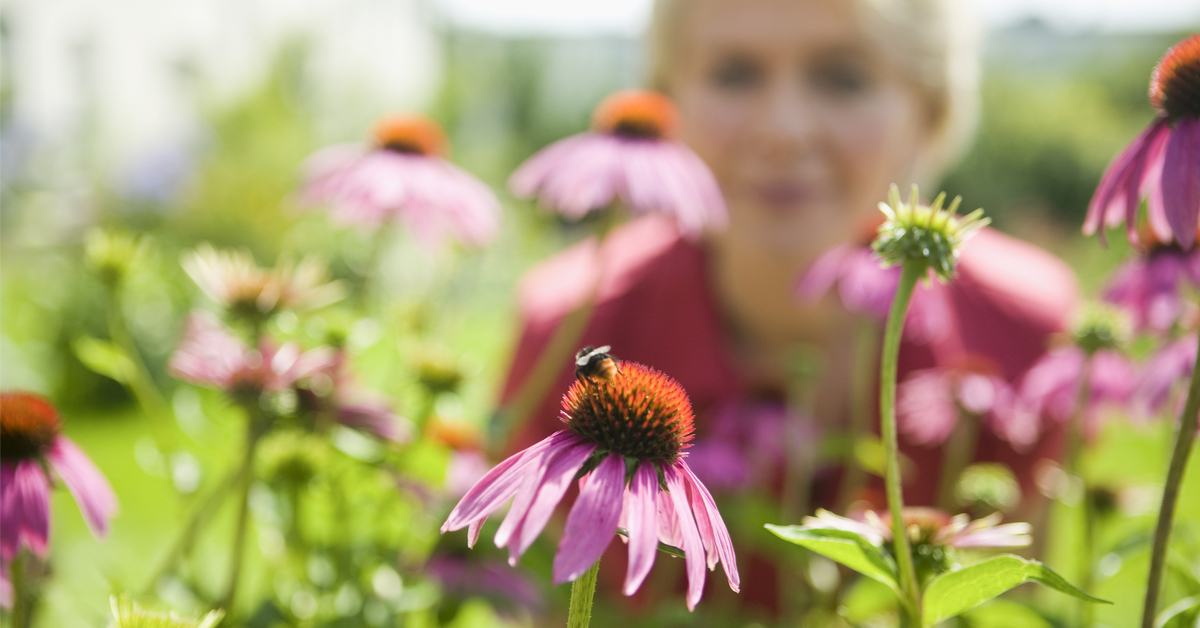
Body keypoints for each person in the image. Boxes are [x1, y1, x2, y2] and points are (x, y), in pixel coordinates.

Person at [497, 0, 1079, 621]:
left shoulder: (1025, 333)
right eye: (735, 74)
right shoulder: (571, 328)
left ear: (928, 114)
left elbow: (1012, 607)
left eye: (843, 79)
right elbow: (533, 597)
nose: (783, 130)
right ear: (668, 102)